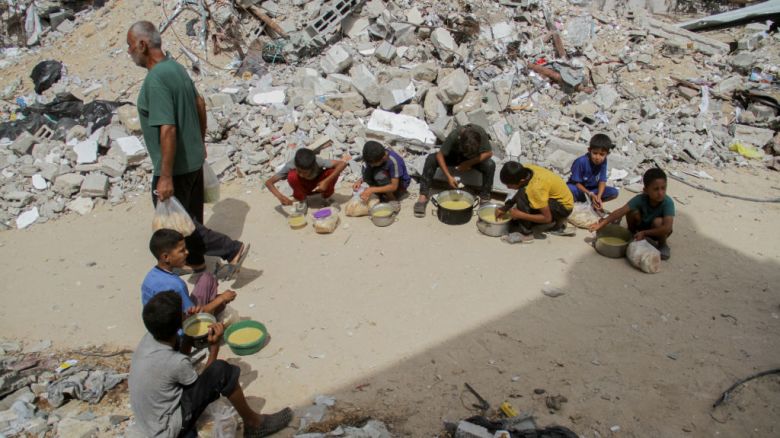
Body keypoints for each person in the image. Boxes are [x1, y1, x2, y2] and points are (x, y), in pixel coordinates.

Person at [127, 21, 249, 280]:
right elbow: (200, 103)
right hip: (192, 160)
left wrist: (165, 175)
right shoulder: (175, 68)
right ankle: (195, 261)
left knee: (179, 224)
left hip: (175, 166)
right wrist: (199, 141)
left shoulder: (156, 79)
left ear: (142, 44)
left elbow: (167, 129)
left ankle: (232, 250)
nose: (130, 53)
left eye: (130, 47)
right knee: (191, 216)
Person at [129, 292, 293, 438]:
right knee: (221, 370)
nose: (186, 314)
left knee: (213, 372)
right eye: (183, 314)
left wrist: (187, 335)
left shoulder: (150, 339)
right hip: (166, 430)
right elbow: (206, 384)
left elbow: (178, 361)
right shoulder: (175, 362)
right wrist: (213, 347)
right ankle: (254, 424)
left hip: (148, 422)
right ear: (178, 324)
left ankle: (253, 423)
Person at [141, 229, 237, 316]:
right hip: (179, 330)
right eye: (181, 251)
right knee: (219, 303)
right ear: (166, 257)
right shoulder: (177, 285)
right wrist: (221, 299)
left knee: (207, 278)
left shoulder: (149, 278)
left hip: (161, 325)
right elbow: (193, 316)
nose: (187, 252)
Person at [590, 168, 674, 260]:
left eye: (663, 188)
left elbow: (667, 228)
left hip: (658, 231)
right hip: (643, 226)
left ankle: (662, 244)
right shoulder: (640, 199)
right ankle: (631, 235)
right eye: (656, 189)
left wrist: (645, 233)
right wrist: (601, 224)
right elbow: (620, 211)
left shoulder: (667, 202)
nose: (661, 193)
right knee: (631, 210)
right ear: (645, 190)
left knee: (658, 222)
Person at [414, 124, 495, 217]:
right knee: (431, 159)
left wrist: (469, 163)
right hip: (455, 157)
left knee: (490, 165)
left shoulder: (481, 132)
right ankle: (423, 197)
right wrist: (449, 176)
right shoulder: (454, 135)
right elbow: (440, 155)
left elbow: (489, 153)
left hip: (472, 160)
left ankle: (485, 198)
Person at [495, 162, 575, 243]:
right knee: (523, 193)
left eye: (509, 185)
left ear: (521, 180)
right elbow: (522, 190)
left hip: (563, 208)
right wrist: (506, 207)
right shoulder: (526, 169)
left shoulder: (536, 189)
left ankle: (526, 234)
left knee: (524, 197)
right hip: (560, 198)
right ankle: (555, 223)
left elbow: (547, 218)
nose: (508, 187)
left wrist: (521, 215)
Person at [265, 148, 347, 206]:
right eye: (299, 171)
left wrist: (326, 181)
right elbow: (269, 182)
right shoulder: (291, 164)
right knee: (292, 176)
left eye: (305, 172)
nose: (301, 174)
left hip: (320, 186)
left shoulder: (318, 162)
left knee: (331, 171)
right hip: (304, 188)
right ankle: (302, 200)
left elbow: (342, 164)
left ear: (312, 167)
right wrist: (280, 197)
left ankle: (327, 198)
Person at [567, 134, 619, 211]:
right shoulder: (581, 162)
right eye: (595, 153)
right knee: (569, 189)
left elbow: (602, 180)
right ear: (589, 150)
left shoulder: (603, 161)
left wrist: (598, 196)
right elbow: (576, 183)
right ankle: (577, 202)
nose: (598, 157)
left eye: (602, 154)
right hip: (580, 190)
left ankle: (593, 203)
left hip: (593, 191)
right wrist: (590, 194)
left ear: (607, 154)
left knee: (614, 192)